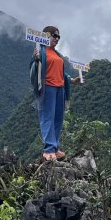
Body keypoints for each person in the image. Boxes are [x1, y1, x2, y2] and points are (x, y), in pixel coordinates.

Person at [29, 26, 81, 161]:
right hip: (48, 88)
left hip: (60, 89)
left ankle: (55, 147)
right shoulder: (40, 52)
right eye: (54, 36)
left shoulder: (56, 54)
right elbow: (33, 70)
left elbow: (61, 73)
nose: (57, 39)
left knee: (58, 118)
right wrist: (36, 61)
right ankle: (48, 149)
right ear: (46, 36)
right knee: (47, 117)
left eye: (58, 37)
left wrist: (72, 80)